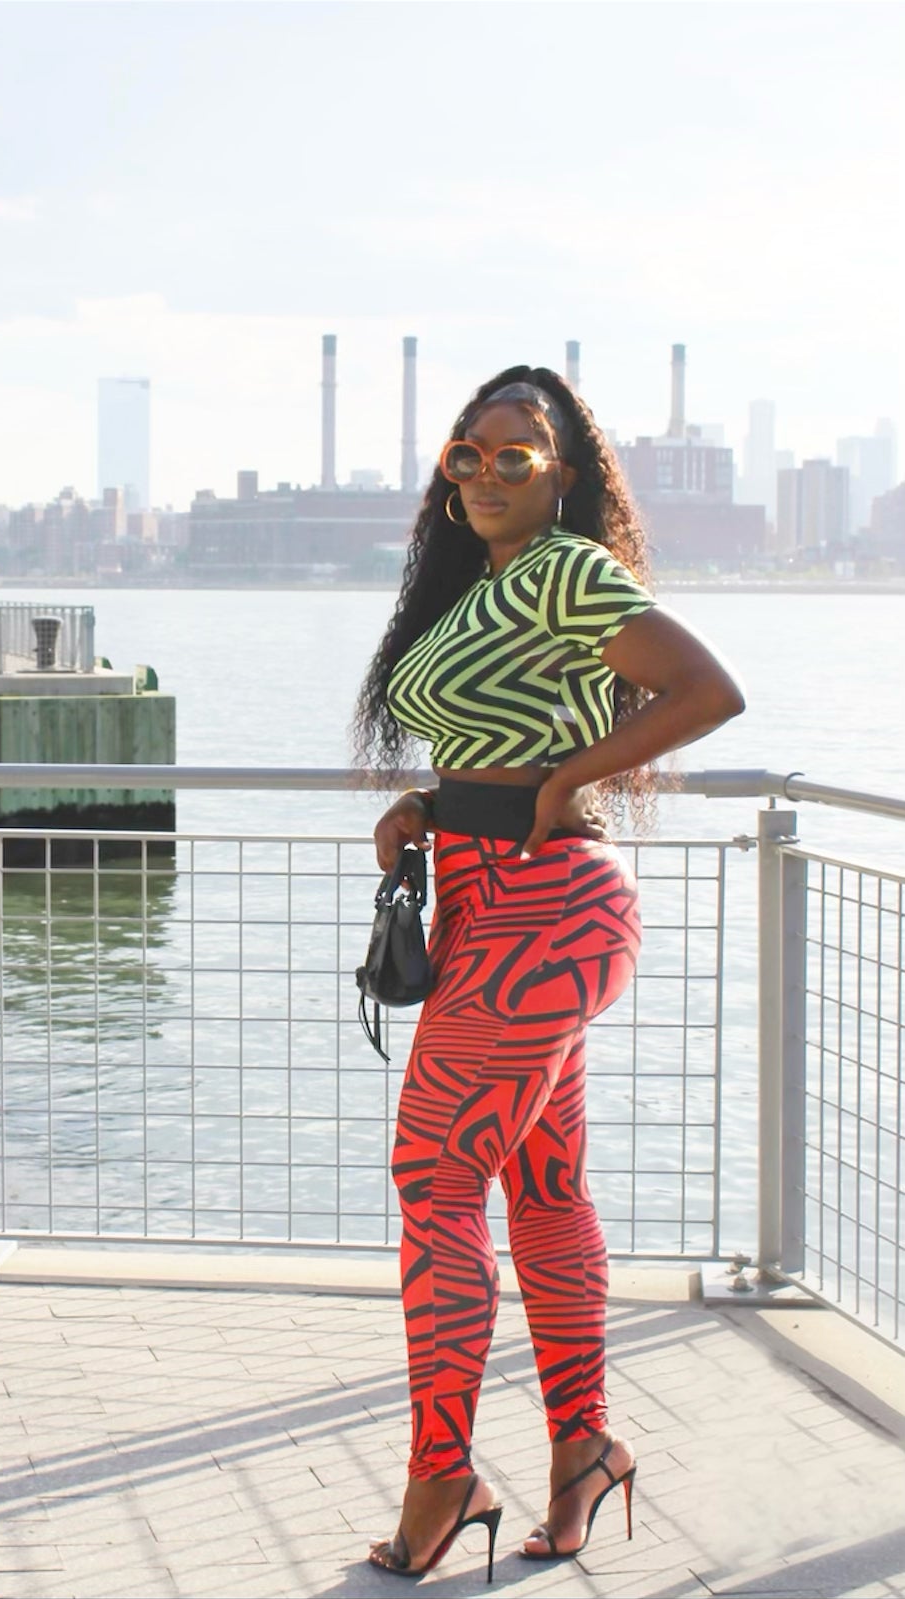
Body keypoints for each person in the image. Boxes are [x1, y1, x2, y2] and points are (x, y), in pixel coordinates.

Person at [353, 368, 744, 1580]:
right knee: (543, 1186)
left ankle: (442, 1473)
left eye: (514, 456)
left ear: (563, 476)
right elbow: (506, 738)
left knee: (434, 1177)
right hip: (487, 898)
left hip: (545, 907)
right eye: (465, 455)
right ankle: (585, 1454)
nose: (485, 474)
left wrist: (573, 782)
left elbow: (707, 690)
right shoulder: (486, 585)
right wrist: (427, 805)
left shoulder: (567, 569)